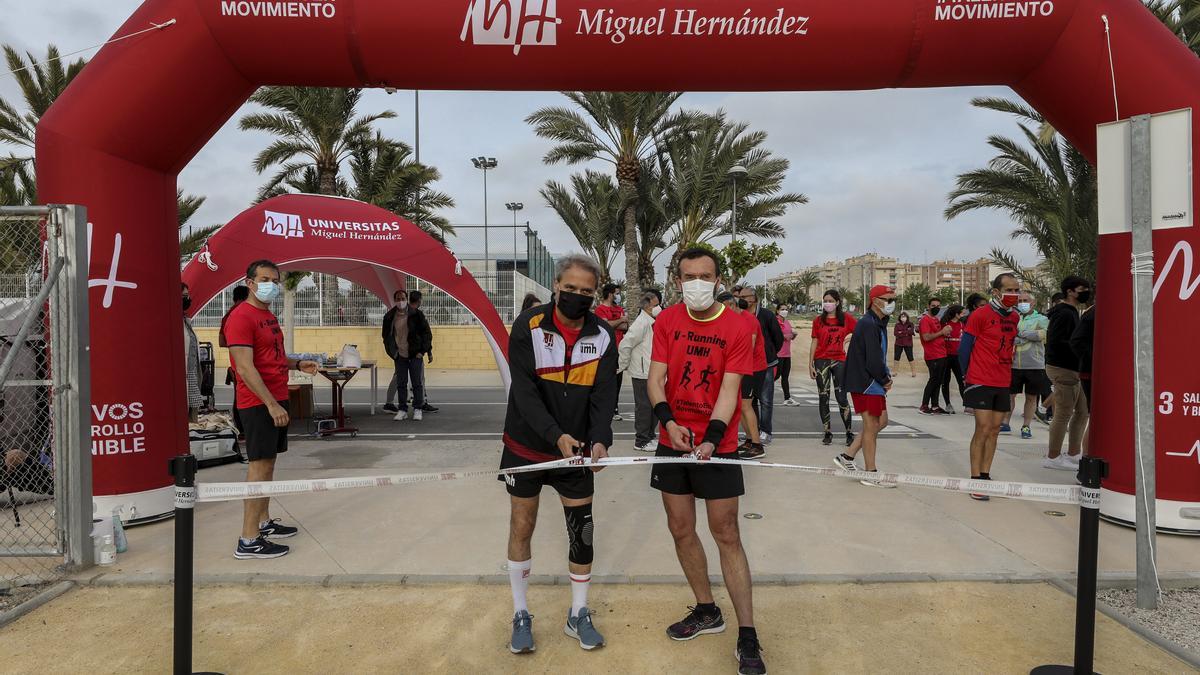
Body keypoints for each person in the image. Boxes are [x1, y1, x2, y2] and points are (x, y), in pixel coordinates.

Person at [647, 247, 766, 675]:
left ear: (718, 279)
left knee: (727, 533)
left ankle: (748, 635)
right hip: (672, 438)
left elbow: (730, 390)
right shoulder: (666, 320)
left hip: (720, 444)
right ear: (677, 281)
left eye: (705, 275)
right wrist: (668, 423)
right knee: (681, 529)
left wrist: (714, 438)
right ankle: (706, 610)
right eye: (688, 276)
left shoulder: (737, 325)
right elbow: (656, 379)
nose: (697, 282)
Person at [500, 254, 618, 655]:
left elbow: (604, 397)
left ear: (595, 294)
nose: (577, 297)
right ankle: (520, 613)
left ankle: (578, 613)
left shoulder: (603, 335)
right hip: (525, 447)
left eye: (587, 292)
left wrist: (600, 440)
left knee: (581, 530)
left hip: (576, 454)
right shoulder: (527, 326)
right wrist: (556, 435)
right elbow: (526, 392)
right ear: (555, 286)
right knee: (522, 526)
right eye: (570, 290)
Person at [224, 260, 319, 559]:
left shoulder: (266, 315)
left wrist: (296, 364)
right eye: (264, 279)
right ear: (249, 282)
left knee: (268, 464)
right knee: (258, 467)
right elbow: (244, 367)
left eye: (275, 280)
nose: (271, 285)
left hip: (275, 397)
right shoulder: (241, 317)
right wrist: (270, 403)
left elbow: (271, 355)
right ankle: (248, 539)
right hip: (258, 403)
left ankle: (263, 522)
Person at [958, 274, 1022, 500]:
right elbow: (964, 348)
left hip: (1002, 379)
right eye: (1009, 290)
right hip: (980, 379)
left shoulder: (1014, 317)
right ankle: (975, 479)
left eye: (1016, 290)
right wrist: (967, 377)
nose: (1014, 295)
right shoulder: (980, 315)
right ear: (996, 291)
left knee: (995, 430)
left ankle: (985, 475)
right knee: (983, 428)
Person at [835, 285, 896, 488]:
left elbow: (879, 354)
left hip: (873, 381)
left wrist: (885, 377)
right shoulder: (868, 323)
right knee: (871, 427)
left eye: (892, 298)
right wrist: (884, 379)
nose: (891, 303)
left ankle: (848, 456)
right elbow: (872, 360)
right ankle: (871, 473)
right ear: (875, 300)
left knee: (882, 422)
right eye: (887, 299)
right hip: (866, 382)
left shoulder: (879, 322)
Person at [1043, 276, 1090, 470]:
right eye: (1082, 289)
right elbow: (1056, 341)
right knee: (1063, 413)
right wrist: (1080, 348)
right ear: (1070, 291)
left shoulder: (1071, 312)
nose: (1086, 292)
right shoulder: (1065, 313)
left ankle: (1072, 454)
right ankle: (1053, 457)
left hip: (1072, 369)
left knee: (1082, 412)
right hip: (1063, 368)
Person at [808, 290, 856, 447]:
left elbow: (859, 332)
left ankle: (849, 432)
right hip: (821, 361)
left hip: (840, 361)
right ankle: (827, 432)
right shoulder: (818, 321)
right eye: (825, 300)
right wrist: (810, 364)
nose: (827, 303)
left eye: (830, 300)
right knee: (823, 397)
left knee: (842, 397)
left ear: (837, 302)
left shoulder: (847, 319)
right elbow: (814, 341)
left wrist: (849, 344)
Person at [738, 286, 783, 445]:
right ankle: (753, 431)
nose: (741, 299)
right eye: (739, 296)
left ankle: (766, 431)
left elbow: (778, 338)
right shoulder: (740, 315)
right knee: (750, 401)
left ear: (754, 298)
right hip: (747, 365)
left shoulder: (766, 315)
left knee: (765, 400)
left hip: (766, 363)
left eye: (745, 296)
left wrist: (770, 352)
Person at [618, 290, 662, 452]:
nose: (659, 307)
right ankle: (641, 440)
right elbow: (625, 344)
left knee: (653, 407)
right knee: (644, 408)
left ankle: (650, 436)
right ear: (647, 306)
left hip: (651, 372)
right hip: (642, 373)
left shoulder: (651, 321)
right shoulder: (641, 323)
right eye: (656, 305)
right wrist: (621, 365)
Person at [727, 289, 767, 460]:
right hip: (743, 368)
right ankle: (750, 440)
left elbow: (748, 348)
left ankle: (758, 445)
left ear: (730, 305)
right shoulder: (734, 318)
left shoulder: (749, 320)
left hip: (754, 368)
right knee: (740, 405)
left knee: (745, 405)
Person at [1004, 292, 1050, 440]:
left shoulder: (1042, 319)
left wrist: (1022, 334)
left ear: (1033, 302)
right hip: (1014, 365)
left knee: (1031, 398)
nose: (1022, 303)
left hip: (1034, 365)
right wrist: (1026, 335)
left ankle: (1026, 426)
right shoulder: (1013, 317)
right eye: (1020, 300)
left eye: (1026, 300)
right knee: (1010, 395)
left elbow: (1043, 335)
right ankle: (1005, 423)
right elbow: (1009, 336)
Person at [382, 290, 434, 421]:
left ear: (407, 299)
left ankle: (417, 409)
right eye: (398, 299)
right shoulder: (389, 317)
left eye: (403, 298)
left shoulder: (416, 314)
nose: (401, 301)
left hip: (415, 355)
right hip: (400, 356)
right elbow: (386, 337)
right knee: (401, 383)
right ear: (395, 300)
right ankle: (402, 409)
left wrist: (422, 351)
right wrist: (393, 353)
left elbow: (427, 334)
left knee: (417, 383)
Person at [594, 283, 630, 421]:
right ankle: (604, 408)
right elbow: (605, 325)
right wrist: (620, 320)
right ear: (610, 294)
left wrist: (614, 322)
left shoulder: (619, 308)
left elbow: (625, 326)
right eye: (616, 293)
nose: (618, 296)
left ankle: (615, 408)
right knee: (605, 381)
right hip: (605, 351)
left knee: (617, 381)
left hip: (619, 350)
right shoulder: (600, 309)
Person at [220, 285, 251, 433]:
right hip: (241, 364)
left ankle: (242, 428)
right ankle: (242, 428)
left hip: (240, 364)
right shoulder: (236, 315)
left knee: (242, 395)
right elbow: (222, 342)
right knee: (243, 396)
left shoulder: (231, 314)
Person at [918, 298, 951, 414]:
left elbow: (938, 335)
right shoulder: (925, 320)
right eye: (933, 305)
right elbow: (926, 337)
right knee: (933, 380)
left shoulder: (936, 319)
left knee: (938, 381)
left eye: (938, 305)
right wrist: (941, 332)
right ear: (928, 306)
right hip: (933, 355)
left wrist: (945, 332)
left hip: (941, 353)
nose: (936, 307)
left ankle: (935, 405)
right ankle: (924, 405)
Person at [182, 283, 203, 422]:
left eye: (187, 296)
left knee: (192, 420)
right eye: (184, 296)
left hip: (192, 377)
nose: (187, 299)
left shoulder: (185, 320)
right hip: (183, 380)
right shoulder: (168, 322)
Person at [940, 304, 966, 413]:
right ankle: (948, 404)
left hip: (958, 357)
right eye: (962, 313)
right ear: (956, 314)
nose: (964, 314)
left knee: (961, 380)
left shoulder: (962, 324)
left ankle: (967, 404)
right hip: (946, 356)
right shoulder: (945, 324)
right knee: (945, 381)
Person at [775, 303, 799, 406]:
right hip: (778, 354)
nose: (785, 311)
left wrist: (794, 335)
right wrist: (789, 335)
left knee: (785, 376)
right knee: (775, 376)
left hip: (786, 354)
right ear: (777, 311)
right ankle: (760, 393)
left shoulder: (787, 322)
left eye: (786, 309)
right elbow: (780, 336)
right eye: (782, 309)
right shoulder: (775, 322)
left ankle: (787, 398)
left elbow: (789, 337)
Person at [892, 312, 917, 377]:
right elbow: (895, 333)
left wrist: (901, 332)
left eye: (904, 316)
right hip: (898, 344)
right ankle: (895, 372)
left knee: (910, 357)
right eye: (902, 316)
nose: (903, 318)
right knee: (896, 357)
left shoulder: (910, 324)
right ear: (900, 318)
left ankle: (913, 372)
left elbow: (911, 332)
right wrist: (905, 333)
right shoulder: (897, 325)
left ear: (907, 317)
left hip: (908, 344)